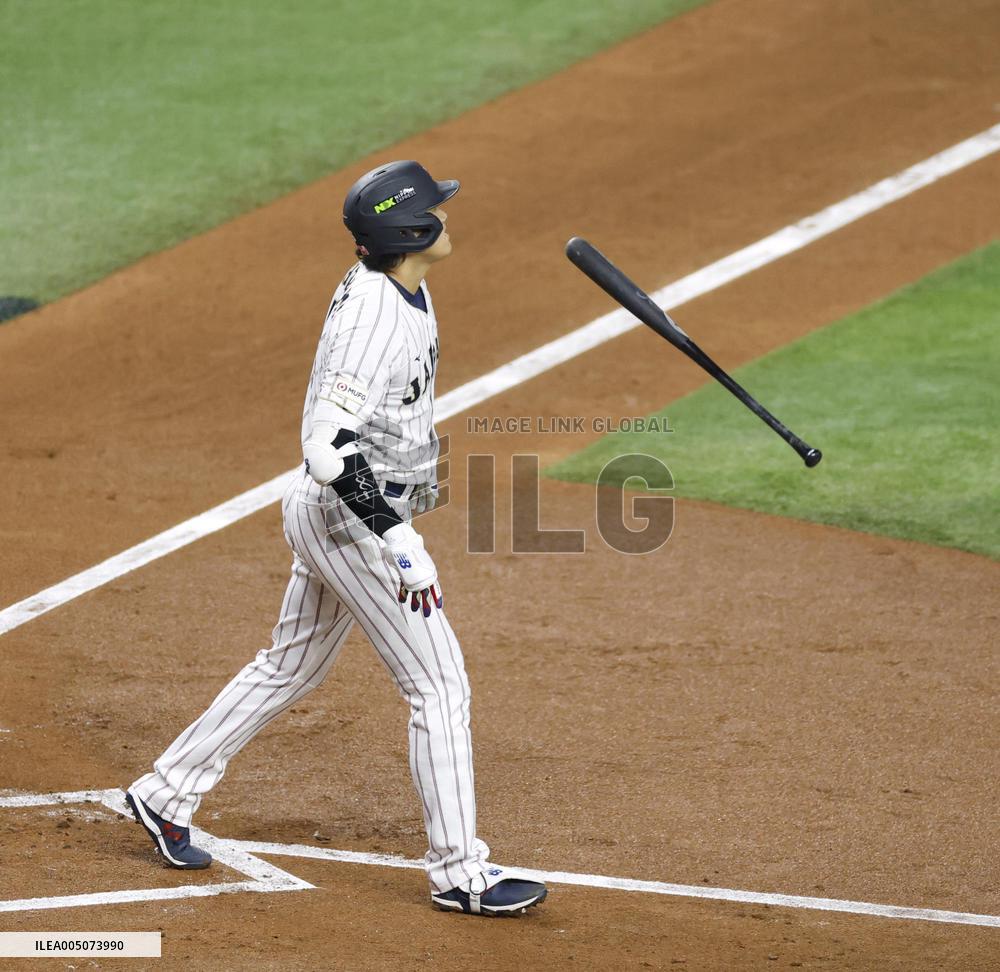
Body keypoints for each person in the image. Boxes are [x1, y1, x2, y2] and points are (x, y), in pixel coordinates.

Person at [124, 161, 548, 918]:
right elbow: (328, 448)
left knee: (289, 666)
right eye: (436, 212)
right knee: (439, 686)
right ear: (411, 231)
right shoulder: (374, 321)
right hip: (353, 523)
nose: (449, 219)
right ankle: (460, 873)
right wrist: (395, 537)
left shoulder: (400, 287)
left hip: (345, 517)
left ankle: (164, 791)